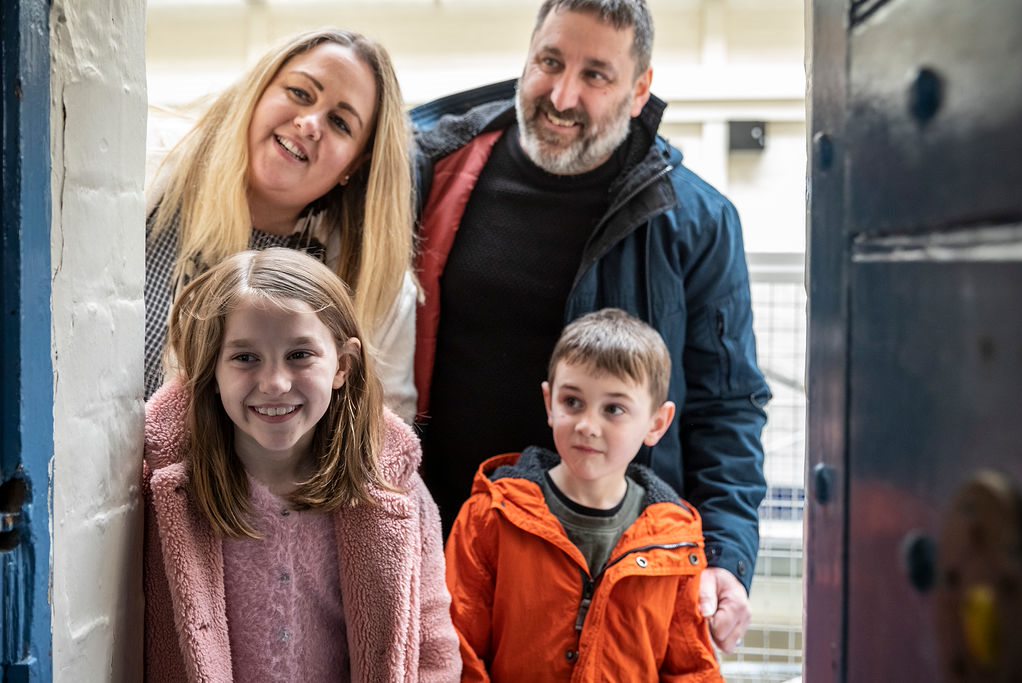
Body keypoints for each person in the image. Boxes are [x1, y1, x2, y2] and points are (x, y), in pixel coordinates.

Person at [412, 0, 770, 653]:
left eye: (596, 75)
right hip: (441, 562)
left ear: (640, 91)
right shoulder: (433, 174)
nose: (562, 94)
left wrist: (725, 555)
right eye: (550, 62)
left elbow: (727, 406)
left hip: (609, 588)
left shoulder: (696, 221)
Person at [143, 249, 460, 682]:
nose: (275, 383)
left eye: (299, 355)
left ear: (342, 366)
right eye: (245, 358)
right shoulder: (165, 495)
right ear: (211, 370)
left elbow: (433, 649)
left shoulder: (396, 492)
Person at [145, 28, 418, 424]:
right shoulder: (146, 173)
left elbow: (385, 435)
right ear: (258, 93)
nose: (309, 123)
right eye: (301, 93)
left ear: (354, 166)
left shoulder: (378, 282)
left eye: (340, 122)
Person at [445, 309, 722, 681]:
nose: (588, 426)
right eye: (573, 402)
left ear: (657, 423)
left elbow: (691, 669)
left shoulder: (675, 540)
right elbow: (456, 650)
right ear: (549, 403)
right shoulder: (491, 516)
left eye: (614, 409)